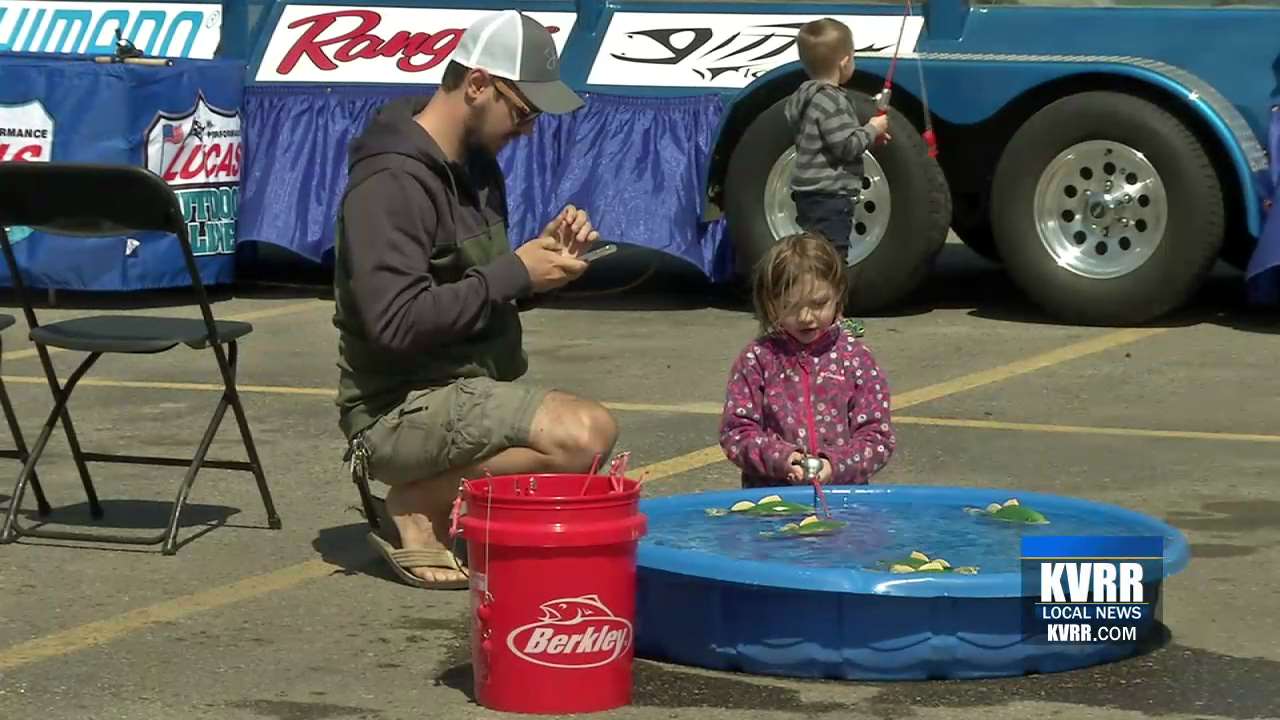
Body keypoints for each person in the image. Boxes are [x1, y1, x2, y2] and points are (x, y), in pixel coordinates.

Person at [332, 10, 618, 589]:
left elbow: (473, 289)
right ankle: (417, 501)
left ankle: (435, 497)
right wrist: (512, 273)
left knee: (587, 441)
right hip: (397, 409)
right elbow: (394, 323)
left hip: (465, 388)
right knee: (583, 435)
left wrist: (542, 269)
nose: (529, 128)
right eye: (524, 110)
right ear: (479, 84)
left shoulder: (477, 167)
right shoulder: (392, 182)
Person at [718, 232, 896, 488]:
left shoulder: (856, 359)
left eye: (819, 303)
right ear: (770, 304)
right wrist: (781, 459)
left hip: (841, 496)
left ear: (838, 294)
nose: (806, 317)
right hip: (773, 500)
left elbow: (878, 437)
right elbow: (736, 432)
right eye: (790, 306)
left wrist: (834, 465)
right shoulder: (757, 359)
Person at [785, 18, 891, 261]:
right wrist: (872, 128)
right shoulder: (831, 101)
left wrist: (867, 137)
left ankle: (810, 294)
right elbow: (846, 147)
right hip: (830, 196)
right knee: (832, 258)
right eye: (853, 57)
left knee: (814, 255)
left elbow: (829, 142)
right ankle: (826, 297)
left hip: (809, 194)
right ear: (844, 62)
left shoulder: (804, 96)